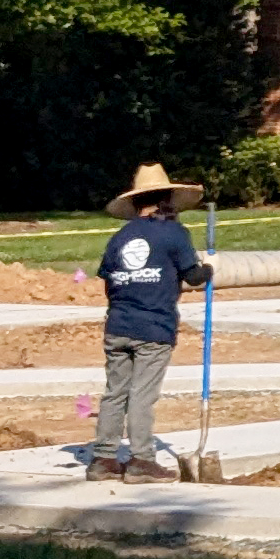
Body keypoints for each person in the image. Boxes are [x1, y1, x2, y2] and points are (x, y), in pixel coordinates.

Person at [90, 161, 211, 481]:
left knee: (115, 392)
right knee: (142, 393)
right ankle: (142, 460)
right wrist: (210, 267)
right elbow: (195, 277)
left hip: (117, 326)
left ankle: (102, 459)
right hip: (154, 328)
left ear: (134, 203)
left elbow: (109, 283)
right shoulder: (173, 234)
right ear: (166, 199)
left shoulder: (119, 238)